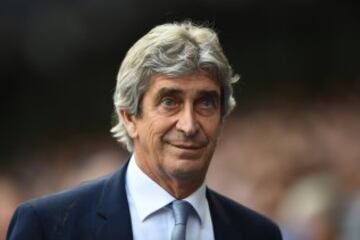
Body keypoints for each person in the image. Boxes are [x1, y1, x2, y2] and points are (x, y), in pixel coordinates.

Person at [7, 21, 282, 240]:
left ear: (222, 118)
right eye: (169, 102)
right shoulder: (50, 227)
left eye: (206, 103)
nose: (188, 125)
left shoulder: (257, 233)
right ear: (129, 117)